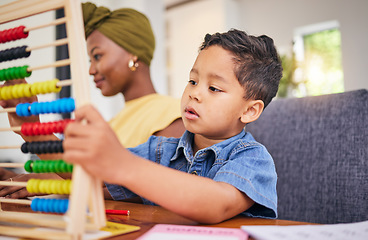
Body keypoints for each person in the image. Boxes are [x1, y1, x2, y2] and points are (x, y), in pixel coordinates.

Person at [63, 29, 283, 223]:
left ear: (249, 111)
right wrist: (34, 132)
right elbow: (92, 172)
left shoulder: (253, 159)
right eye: (193, 81)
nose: (194, 93)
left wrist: (124, 165)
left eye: (214, 88)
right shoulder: (160, 151)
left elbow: (216, 204)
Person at [0, 3, 185, 196]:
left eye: (98, 56)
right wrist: (32, 181)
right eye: (90, 60)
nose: (91, 70)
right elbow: (95, 176)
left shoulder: (172, 114)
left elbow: (145, 188)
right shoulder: (112, 123)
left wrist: (34, 134)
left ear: (132, 53)